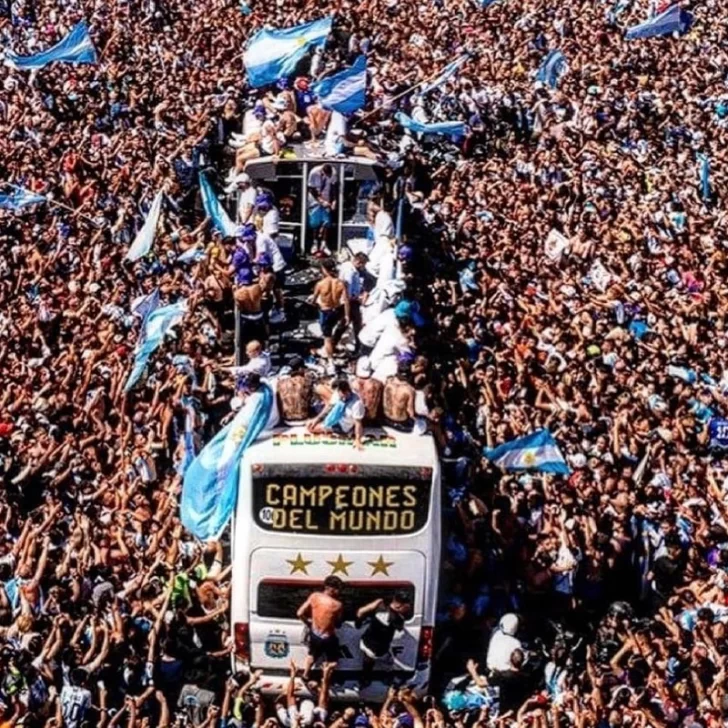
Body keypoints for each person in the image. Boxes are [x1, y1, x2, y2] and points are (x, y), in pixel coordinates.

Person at [355, 592, 412, 681]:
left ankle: (364, 679)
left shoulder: (380, 603)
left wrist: (358, 623)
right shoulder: (397, 619)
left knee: (368, 659)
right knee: (389, 662)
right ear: (399, 606)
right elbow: (401, 631)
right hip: (378, 651)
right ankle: (387, 678)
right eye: (406, 606)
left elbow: (360, 611)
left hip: (364, 641)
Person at [296, 576, 344, 679]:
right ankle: (326, 678)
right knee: (332, 660)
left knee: (312, 655)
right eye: (337, 588)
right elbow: (338, 623)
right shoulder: (337, 605)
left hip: (315, 633)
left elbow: (299, 613)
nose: (338, 591)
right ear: (329, 588)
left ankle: (305, 674)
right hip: (328, 636)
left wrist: (308, 623)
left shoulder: (314, 596)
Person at [309, 258, 350, 368]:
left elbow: (314, 299)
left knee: (327, 337)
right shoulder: (341, 283)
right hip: (337, 310)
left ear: (324, 269)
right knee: (333, 331)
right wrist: (346, 315)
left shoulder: (320, 284)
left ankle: (330, 361)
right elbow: (346, 300)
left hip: (326, 311)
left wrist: (314, 303)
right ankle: (332, 349)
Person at [307, 379, 365, 450]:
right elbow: (329, 407)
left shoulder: (357, 404)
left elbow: (358, 423)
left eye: (342, 395)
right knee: (310, 423)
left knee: (311, 428)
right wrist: (317, 419)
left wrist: (358, 440)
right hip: (336, 417)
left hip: (342, 426)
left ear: (347, 392)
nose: (340, 396)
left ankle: (342, 432)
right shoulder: (338, 393)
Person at [307, 164, 337, 256]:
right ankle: (315, 243)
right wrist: (321, 201)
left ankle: (324, 244)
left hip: (327, 199)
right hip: (314, 201)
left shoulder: (334, 172)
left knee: (326, 223)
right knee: (315, 223)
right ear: (322, 171)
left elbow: (333, 187)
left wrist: (334, 201)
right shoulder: (313, 172)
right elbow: (311, 189)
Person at [277, 355, 315, 424]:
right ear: (300, 369)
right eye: (304, 369)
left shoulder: (280, 382)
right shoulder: (307, 382)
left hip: (287, 420)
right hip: (303, 419)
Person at [382, 363, 417, 431]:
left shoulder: (388, 382)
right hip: (401, 423)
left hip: (386, 418)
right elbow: (411, 412)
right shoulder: (410, 390)